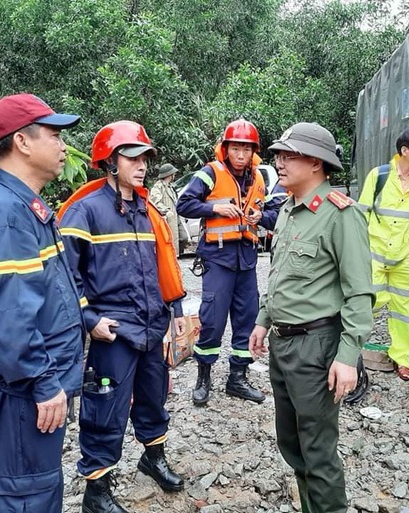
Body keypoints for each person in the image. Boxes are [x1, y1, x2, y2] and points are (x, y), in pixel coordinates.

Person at [0, 93, 84, 513]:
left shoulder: (26, 206)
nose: (64, 145)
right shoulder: (7, 214)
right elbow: (9, 317)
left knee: (39, 483)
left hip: (35, 384)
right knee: (26, 492)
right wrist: (43, 383)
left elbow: (48, 295)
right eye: (54, 134)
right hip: (24, 391)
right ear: (23, 142)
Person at [58, 121, 186, 513]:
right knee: (105, 408)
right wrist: (89, 320)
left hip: (151, 324)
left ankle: (153, 457)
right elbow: (64, 278)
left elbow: (164, 264)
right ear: (110, 161)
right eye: (132, 156)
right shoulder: (85, 212)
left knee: (153, 396)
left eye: (145, 156)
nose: (142, 164)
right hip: (111, 330)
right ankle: (97, 492)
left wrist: (175, 311)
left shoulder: (147, 210)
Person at [249, 122, 375, 513]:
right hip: (283, 343)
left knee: (318, 449)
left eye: (288, 155)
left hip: (316, 346)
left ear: (317, 163)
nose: (279, 162)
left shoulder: (341, 215)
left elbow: (359, 292)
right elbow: (281, 274)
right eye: (278, 155)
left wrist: (348, 356)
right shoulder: (288, 209)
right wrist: (262, 320)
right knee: (292, 442)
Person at [176, 119, 283, 405]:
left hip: (246, 260)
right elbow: (183, 204)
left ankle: (237, 378)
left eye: (246, 149)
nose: (240, 154)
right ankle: (204, 377)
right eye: (235, 148)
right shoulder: (211, 172)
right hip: (218, 259)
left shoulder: (260, 179)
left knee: (246, 319)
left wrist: (262, 217)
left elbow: (277, 211)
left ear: (253, 152)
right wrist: (213, 208)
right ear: (225, 149)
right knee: (212, 320)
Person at [358, 127, 409, 380]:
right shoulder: (378, 176)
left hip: (404, 258)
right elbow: (362, 213)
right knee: (368, 304)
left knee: (405, 310)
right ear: (405, 150)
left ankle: (402, 358)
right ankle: (350, 353)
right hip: (375, 255)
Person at [150, 163, 182, 254]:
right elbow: (155, 202)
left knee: (183, 237)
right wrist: (166, 211)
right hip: (168, 219)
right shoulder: (158, 187)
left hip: (176, 217)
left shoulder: (171, 187)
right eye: (173, 174)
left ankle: (176, 256)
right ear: (169, 175)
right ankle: (174, 258)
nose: (174, 175)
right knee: (170, 240)